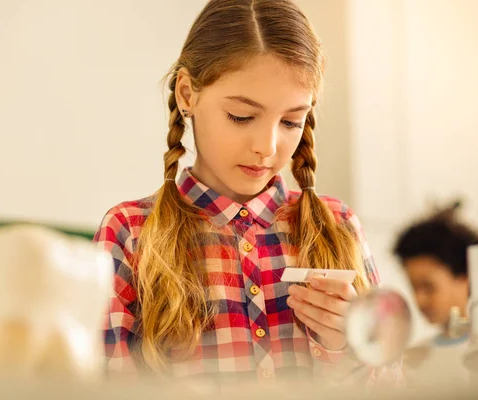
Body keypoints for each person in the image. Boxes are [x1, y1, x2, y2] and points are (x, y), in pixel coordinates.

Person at [94, 0, 402, 387]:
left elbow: (395, 388)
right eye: (241, 116)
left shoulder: (339, 227)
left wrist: (348, 348)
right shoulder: (130, 232)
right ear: (188, 93)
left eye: (291, 120)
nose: (267, 146)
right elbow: (105, 387)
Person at [394, 202, 478, 385]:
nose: (419, 299)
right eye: (414, 287)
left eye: (428, 287)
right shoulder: (412, 359)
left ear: (466, 277)